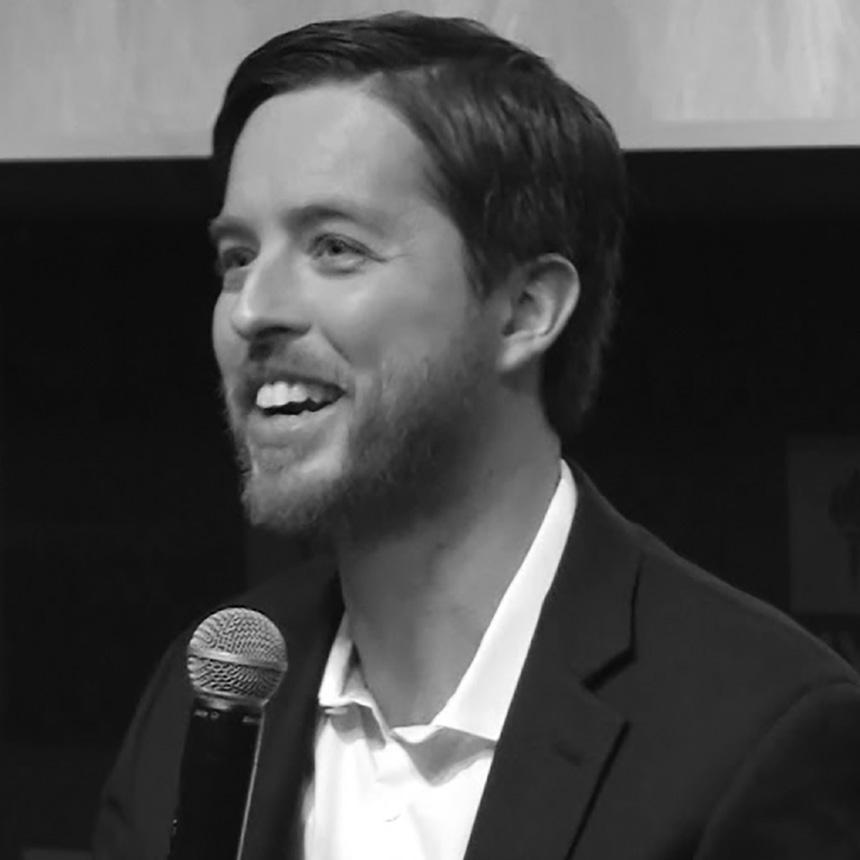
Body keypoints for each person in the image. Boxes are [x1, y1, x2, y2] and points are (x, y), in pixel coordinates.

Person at [93, 11, 860, 860]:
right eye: (237, 257)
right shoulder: (206, 694)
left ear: (526, 311)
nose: (251, 310)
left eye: (335, 247)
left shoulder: (755, 737)